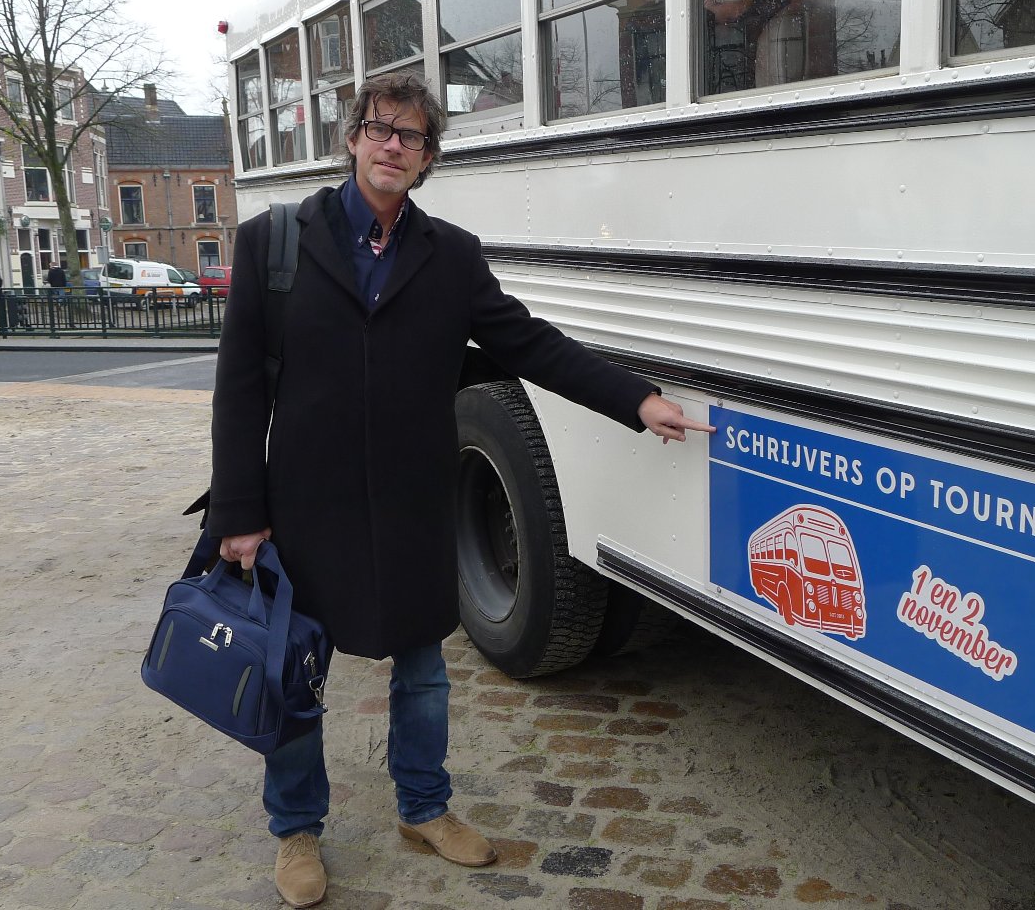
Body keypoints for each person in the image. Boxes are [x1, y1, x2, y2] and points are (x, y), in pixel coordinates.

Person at [208, 71, 712, 909]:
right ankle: (296, 828)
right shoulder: (274, 244)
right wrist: (239, 512)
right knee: (295, 675)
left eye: (411, 138)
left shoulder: (451, 256)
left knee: (424, 673)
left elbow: (531, 346)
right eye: (381, 129)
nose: (393, 146)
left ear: (428, 158)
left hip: (412, 501)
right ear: (353, 138)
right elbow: (238, 391)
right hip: (307, 502)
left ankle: (424, 807)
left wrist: (636, 399)